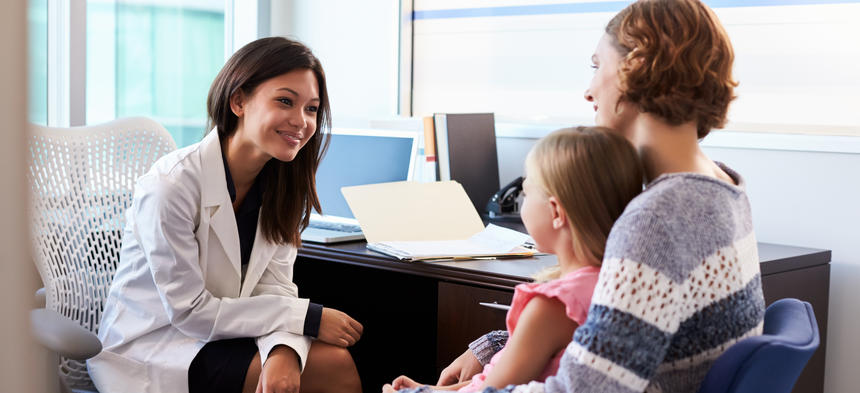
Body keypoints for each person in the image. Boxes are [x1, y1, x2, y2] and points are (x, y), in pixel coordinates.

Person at [400, 0, 766, 392]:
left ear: (636, 67)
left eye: (596, 66)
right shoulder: (721, 189)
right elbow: (612, 329)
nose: (589, 91)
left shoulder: (657, 220)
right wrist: (498, 346)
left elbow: (584, 388)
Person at [87, 37, 364, 393]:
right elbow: (190, 312)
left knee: (327, 360)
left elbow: (275, 287)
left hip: (224, 334)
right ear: (238, 101)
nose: (301, 121)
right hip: (155, 347)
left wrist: (282, 349)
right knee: (333, 366)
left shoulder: (282, 185)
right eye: (285, 101)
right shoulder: (171, 185)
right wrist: (306, 318)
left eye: (311, 109)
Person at [384, 127, 644, 393]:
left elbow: (493, 391)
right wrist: (437, 391)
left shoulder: (552, 306)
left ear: (556, 211)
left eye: (526, 193)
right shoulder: (619, 283)